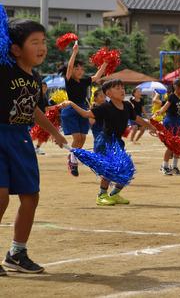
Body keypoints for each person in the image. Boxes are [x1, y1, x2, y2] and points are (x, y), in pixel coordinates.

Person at [1, 19, 67, 274]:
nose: (42, 47)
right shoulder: (4, 70)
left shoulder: (35, 77)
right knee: (1, 197)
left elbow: (34, 109)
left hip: (21, 139)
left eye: (44, 42)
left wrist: (55, 133)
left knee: (31, 196)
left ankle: (17, 253)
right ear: (16, 49)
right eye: (34, 42)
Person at [63, 79, 157, 205]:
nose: (122, 90)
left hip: (117, 142)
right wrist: (72, 104)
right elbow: (86, 114)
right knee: (109, 168)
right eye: (117, 88)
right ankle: (101, 195)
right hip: (105, 141)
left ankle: (115, 194)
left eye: (122, 87)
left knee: (127, 169)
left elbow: (137, 119)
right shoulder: (105, 107)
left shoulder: (127, 106)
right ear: (109, 93)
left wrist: (150, 126)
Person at [60, 41, 107, 177]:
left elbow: (97, 77)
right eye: (77, 69)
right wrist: (74, 52)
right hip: (70, 109)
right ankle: (73, 161)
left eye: (81, 69)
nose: (80, 71)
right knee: (77, 137)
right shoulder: (69, 80)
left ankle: (72, 157)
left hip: (83, 109)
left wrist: (105, 63)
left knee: (83, 139)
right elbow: (69, 67)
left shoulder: (85, 81)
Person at [156, 79, 180, 175]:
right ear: (177, 87)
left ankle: (175, 167)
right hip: (170, 123)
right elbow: (165, 107)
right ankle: (164, 167)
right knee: (171, 145)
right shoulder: (172, 96)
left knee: (179, 145)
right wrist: (160, 112)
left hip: (177, 122)